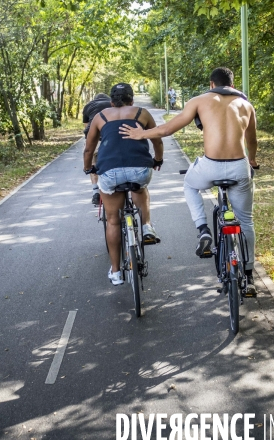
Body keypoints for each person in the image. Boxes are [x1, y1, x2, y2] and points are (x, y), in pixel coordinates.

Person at [120, 67, 258, 295]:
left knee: (191, 185)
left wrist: (140, 134)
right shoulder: (246, 105)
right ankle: (250, 275)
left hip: (210, 166)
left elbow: (167, 129)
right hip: (239, 166)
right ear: (232, 85)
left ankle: (203, 230)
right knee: (246, 221)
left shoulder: (200, 100)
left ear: (212, 84)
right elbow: (251, 140)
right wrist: (252, 160)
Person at [84, 83, 164, 286]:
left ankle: (116, 272)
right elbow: (157, 140)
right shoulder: (142, 113)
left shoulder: (99, 117)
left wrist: (88, 169)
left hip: (109, 172)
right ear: (132, 100)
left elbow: (89, 149)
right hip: (139, 169)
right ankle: (146, 227)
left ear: (111, 102)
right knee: (140, 187)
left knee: (112, 221)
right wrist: (158, 160)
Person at [82, 92, 112, 205]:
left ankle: (96, 193)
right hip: (110, 139)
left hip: (94, 141)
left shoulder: (88, 105)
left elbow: (86, 127)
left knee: (92, 166)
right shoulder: (113, 104)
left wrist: (87, 167)